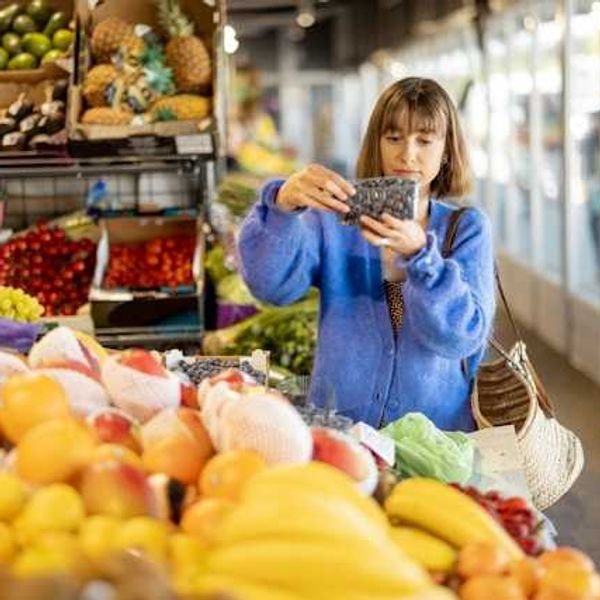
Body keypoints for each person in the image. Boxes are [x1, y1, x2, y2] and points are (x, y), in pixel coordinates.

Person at [237, 77, 495, 431]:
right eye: (393, 138)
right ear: (376, 142)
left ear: (446, 149)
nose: (407, 154)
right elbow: (272, 288)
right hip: (342, 433)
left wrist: (421, 256)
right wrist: (281, 207)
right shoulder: (334, 219)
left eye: (424, 139)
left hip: (436, 440)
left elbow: (461, 339)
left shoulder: (465, 228)